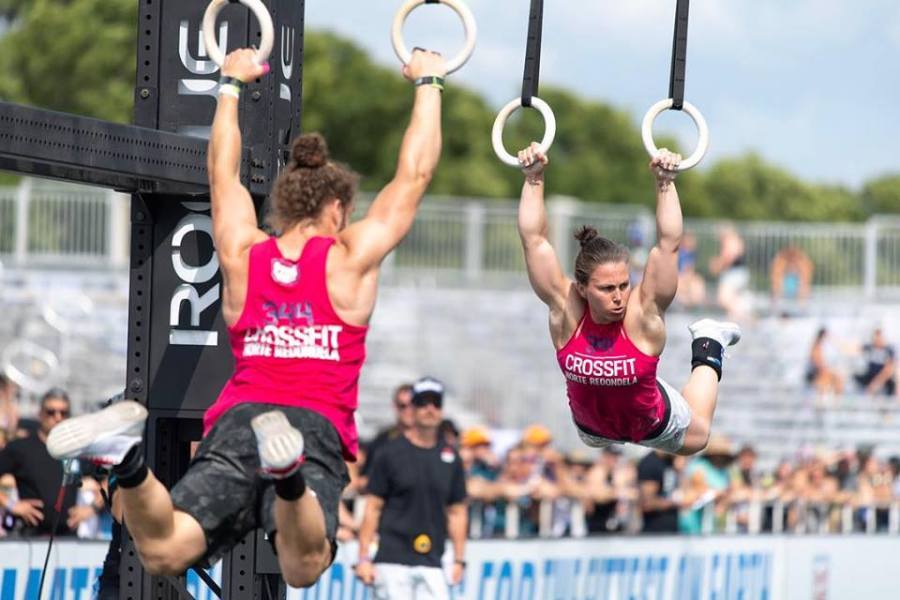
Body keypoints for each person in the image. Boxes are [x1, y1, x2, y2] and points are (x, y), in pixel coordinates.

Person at [47, 46, 448, 587]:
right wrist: (428, 84)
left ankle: (127, 462)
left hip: (239, 420)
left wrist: (229, 86)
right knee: (303, 566)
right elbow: (414, 176)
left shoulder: (244, 252)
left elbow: (222, 175)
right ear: (337, 209)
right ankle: (287, 480)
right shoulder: (351, 259)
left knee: (167, 551)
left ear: (286, 204)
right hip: (313, 426)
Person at [515, 143, 741, 457]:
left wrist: (665, 182)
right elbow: (533, 240)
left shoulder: (642, 314)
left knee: (698, 436)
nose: (620, 296)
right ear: (582, 289)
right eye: (607, 289)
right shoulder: (566, 309)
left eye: (623, 285)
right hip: (593, 430)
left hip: (652, 423)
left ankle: (709, 340)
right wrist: (533, 178)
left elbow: (668, 244)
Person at [354, 377, 467, 600]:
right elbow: (373, 507)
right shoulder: (389, 453)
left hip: (433, 559)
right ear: (412, 408)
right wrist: (364, 558)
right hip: (392, 559)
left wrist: (459, 560)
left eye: (436, 403)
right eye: (423, 403)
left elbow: (457, 512)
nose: (429, 409)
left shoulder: (451, 458)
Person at [0, 388, 101, 536]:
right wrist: (12, 505)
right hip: (30, 537)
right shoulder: (20, 448)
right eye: (51, 412)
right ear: (40, 414)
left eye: (63, 413)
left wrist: (92, 509)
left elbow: (109, 481)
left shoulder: (77, 449)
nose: (57, 417)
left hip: (69, 539)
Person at [361, 383, 415, 487]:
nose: (408, 411)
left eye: (412, 405)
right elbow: (366, 477)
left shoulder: (432, 441)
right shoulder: (382, 440)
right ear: (395, 406)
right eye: (402, 406)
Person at [708, 225, 750, 321]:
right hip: (737, 273)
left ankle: (745, 319)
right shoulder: (735, 241)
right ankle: (741, 321)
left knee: (723, 299)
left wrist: (717, 264)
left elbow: (729, 257)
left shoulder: (731, 241)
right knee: (734, 302)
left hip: (734, 274)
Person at [853, 328, 896, 397]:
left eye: (879, 338)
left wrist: (876, 383)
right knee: (853, 377)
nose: (877, 340)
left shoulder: (888, 350)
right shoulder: (869, 347)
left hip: (884, 379)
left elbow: (889, 369)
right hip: (869, 376)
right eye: (876, 338)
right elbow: (852, 350)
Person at [770, 245, 813, 309]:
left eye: (793, 264)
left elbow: (804, 286)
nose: (792, 266)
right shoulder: (780, 275)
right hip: (783, 297)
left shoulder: (801, 276)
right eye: (790, 264)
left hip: (798, 297)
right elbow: (776, 287)